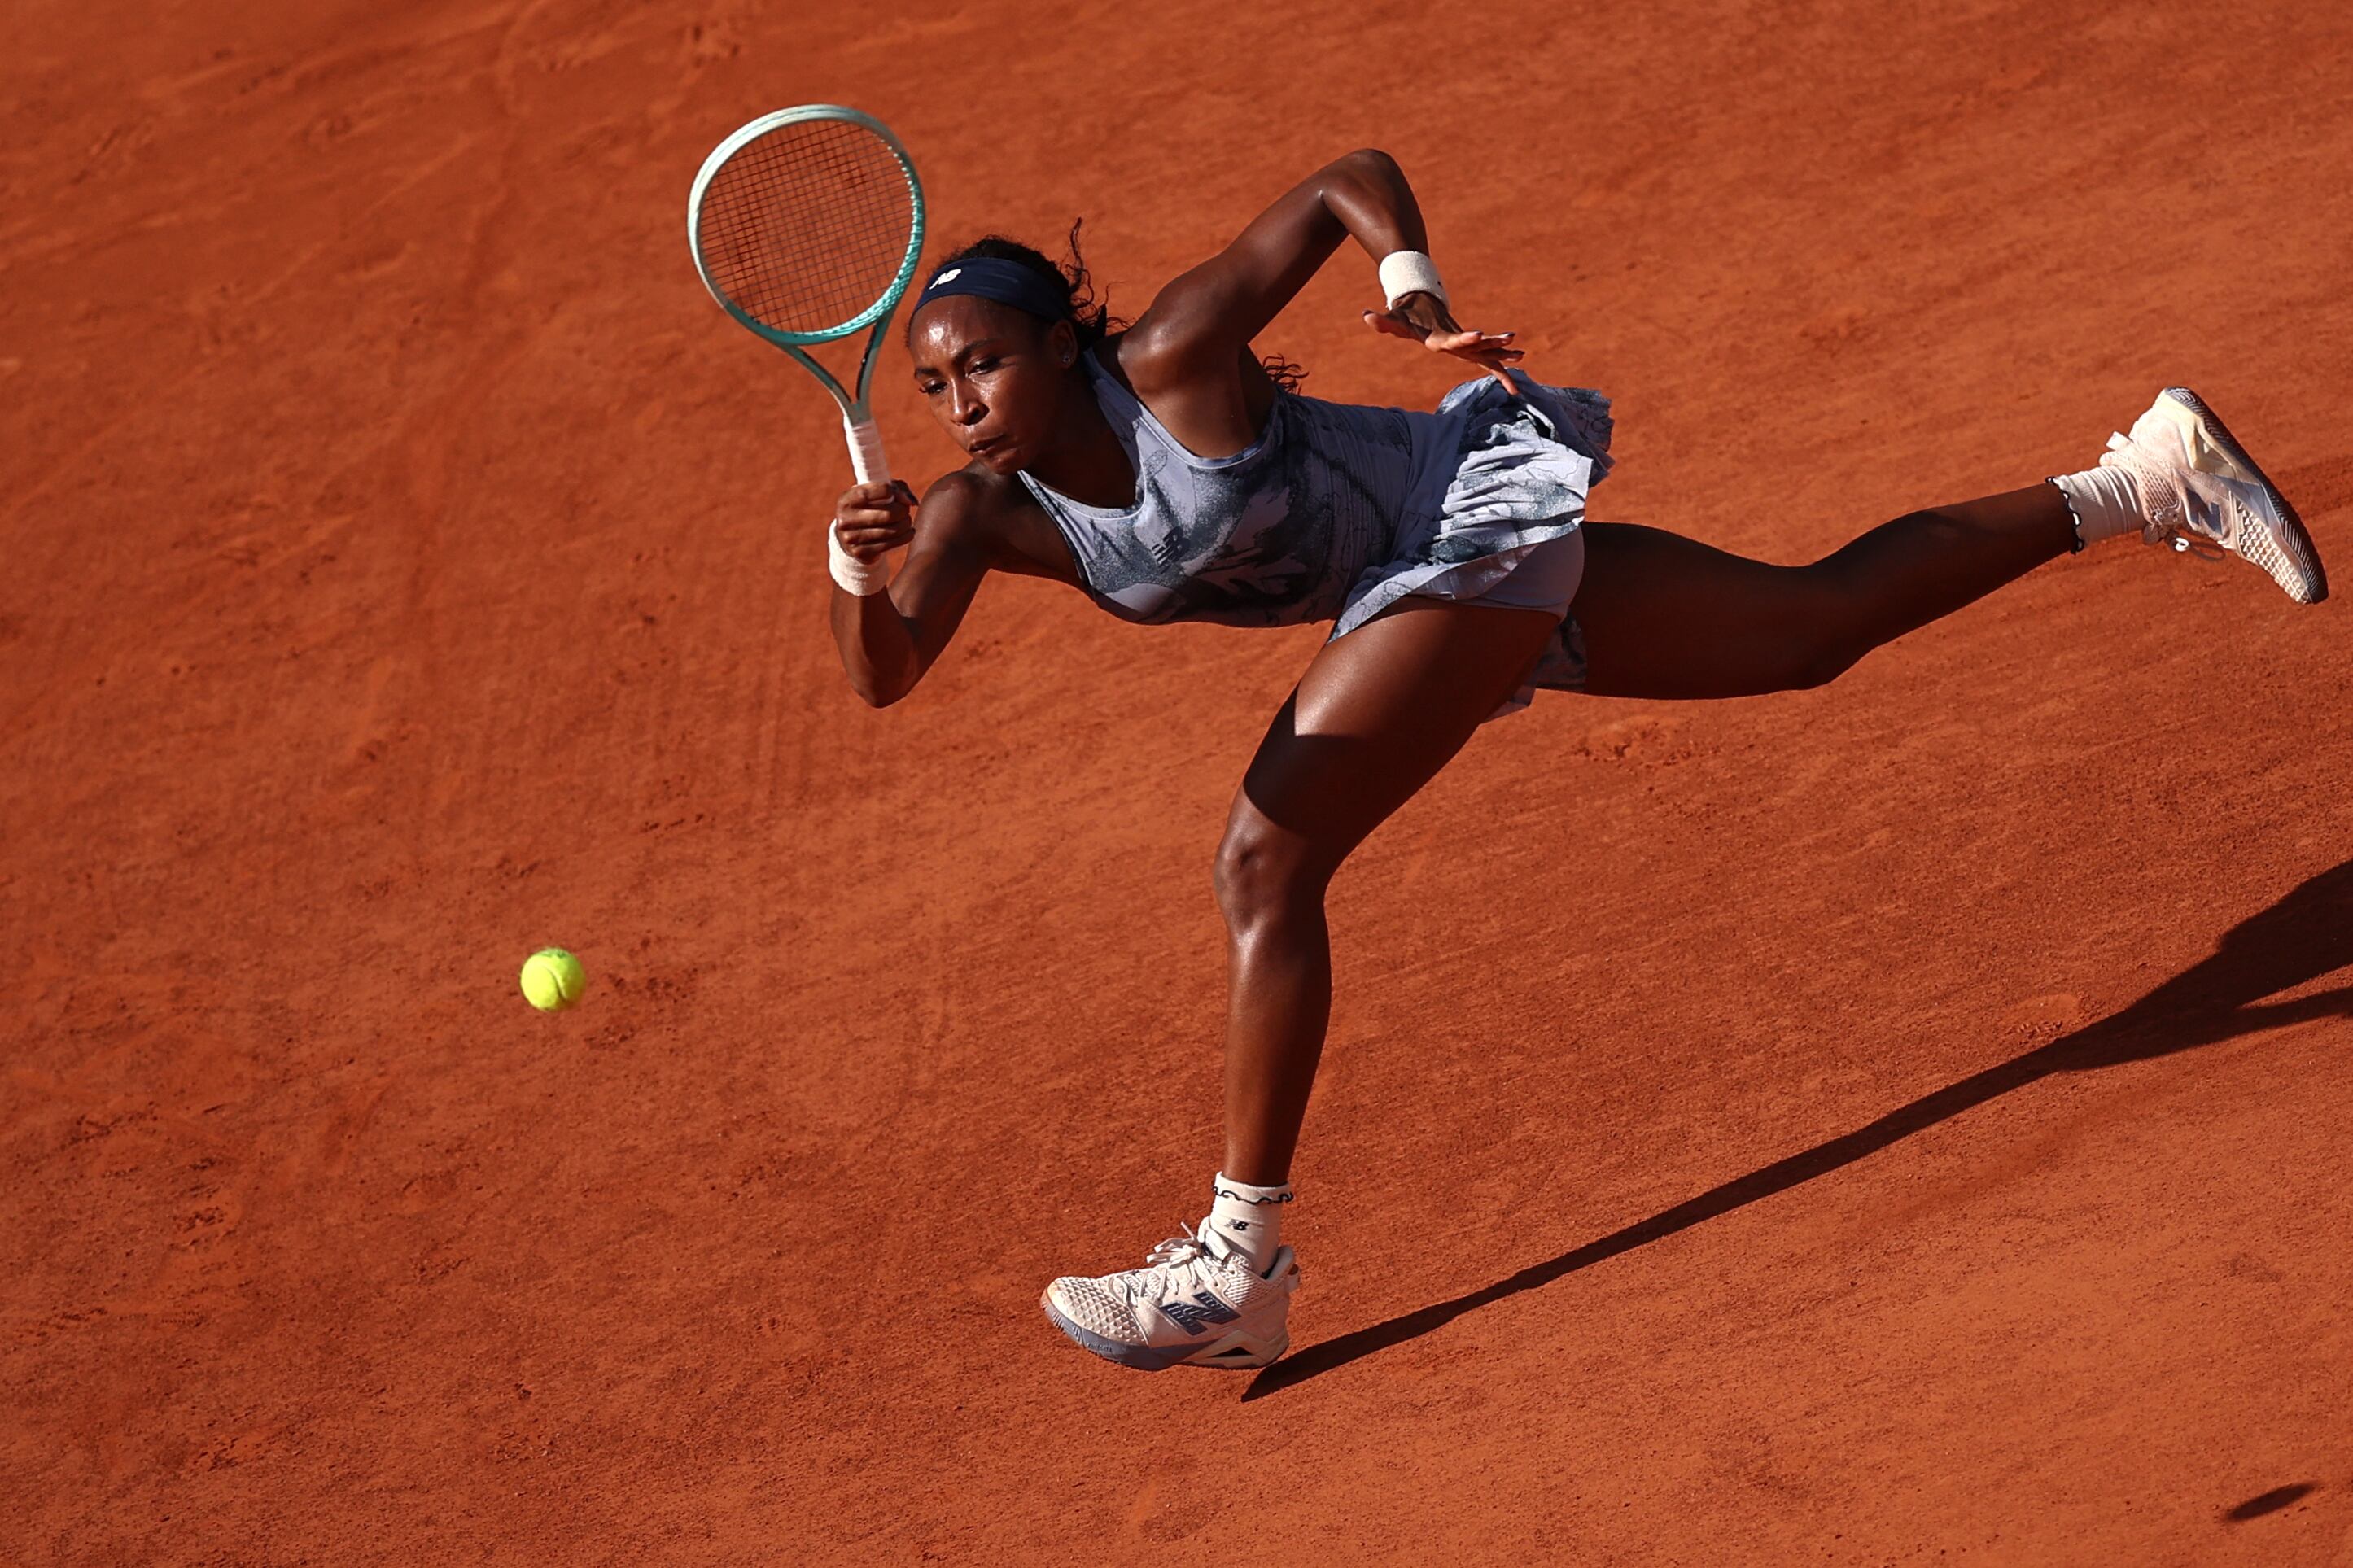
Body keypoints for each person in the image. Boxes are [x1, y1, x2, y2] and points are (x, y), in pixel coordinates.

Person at [824, 148, 2326, 1373]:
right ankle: (2144, 474)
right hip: (1417, 599)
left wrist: (1415, 297)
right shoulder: (970, 516)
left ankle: (1239, 1260)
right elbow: (885, 675)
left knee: (1267, 856)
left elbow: (1353, 177)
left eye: (986, 368)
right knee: (1810, 628)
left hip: (1462, 527)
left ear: (1060, 345)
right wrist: (850, 574)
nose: (961, 405)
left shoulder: (1170, 355)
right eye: (939, 387)